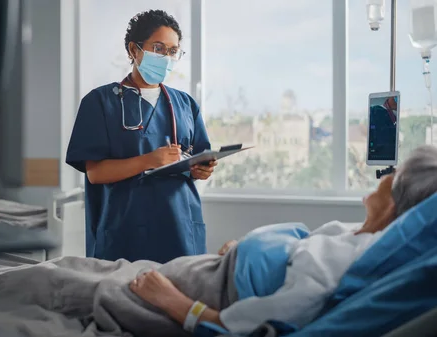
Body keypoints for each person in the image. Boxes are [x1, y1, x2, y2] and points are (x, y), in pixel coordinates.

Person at [129, 144, 437, 334]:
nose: (385, 175)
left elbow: (264, 323)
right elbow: (300, 253)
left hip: (220, 290)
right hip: (221, 268)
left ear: (397, 200)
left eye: (394, 175)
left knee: (103, 284)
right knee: (111, 271)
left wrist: (177, 304)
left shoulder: (350, 258)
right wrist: (244, 248)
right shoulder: (357, 233)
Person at [65, 10, 215, 264]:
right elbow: (96, 173)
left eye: (172, 51)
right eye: (158, 48)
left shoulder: (185, 104)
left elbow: (197, 157)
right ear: (134, 50)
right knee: (122, 297)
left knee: (179, 295)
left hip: (179, 229)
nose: (166, 57)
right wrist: (150, 160)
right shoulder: (100, 102)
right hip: (125, 231)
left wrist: (202, 170)